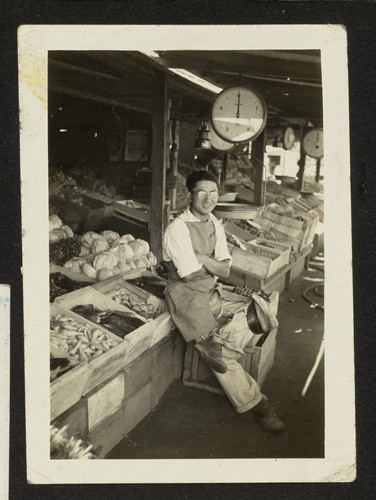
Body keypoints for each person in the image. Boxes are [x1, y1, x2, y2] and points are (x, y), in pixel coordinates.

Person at [163, 170, 285, 433]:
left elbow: (226, 270)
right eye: (202, 192)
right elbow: (188, 273)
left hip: (209, 290)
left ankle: (222, 342)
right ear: (190, 194)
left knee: (260, 310)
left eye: (213, 193)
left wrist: (205, 260)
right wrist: (212, 265)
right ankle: (257, 404)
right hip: (186, 298)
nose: (208, 198)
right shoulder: (177, 229)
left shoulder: (215, 224)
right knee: (217, 353)